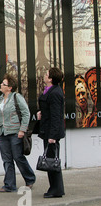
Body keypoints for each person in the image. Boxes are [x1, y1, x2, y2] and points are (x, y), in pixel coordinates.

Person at [0, 74, 35, 192]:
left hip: (15, 133)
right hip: (2, 134)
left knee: (18, 157)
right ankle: (9, 185)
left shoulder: (17, 97)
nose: (1, 85)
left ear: (10, 87)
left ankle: (30, 178)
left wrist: (22, 129)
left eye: (3, 84)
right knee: (6, 160)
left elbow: (26, 113)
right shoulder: (0, 99)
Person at [37, 67, 65, 198]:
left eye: (46, 74)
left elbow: (56, 116)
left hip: (51, 133)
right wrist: (41, 113)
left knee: (52, 162)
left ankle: (56, 189)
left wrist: (52, 137)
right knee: (50, 160)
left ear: (51, 78)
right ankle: (54, 187)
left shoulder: (55, 93)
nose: (44, 75)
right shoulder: (51, 91)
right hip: (47, 130)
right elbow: (50, 110)